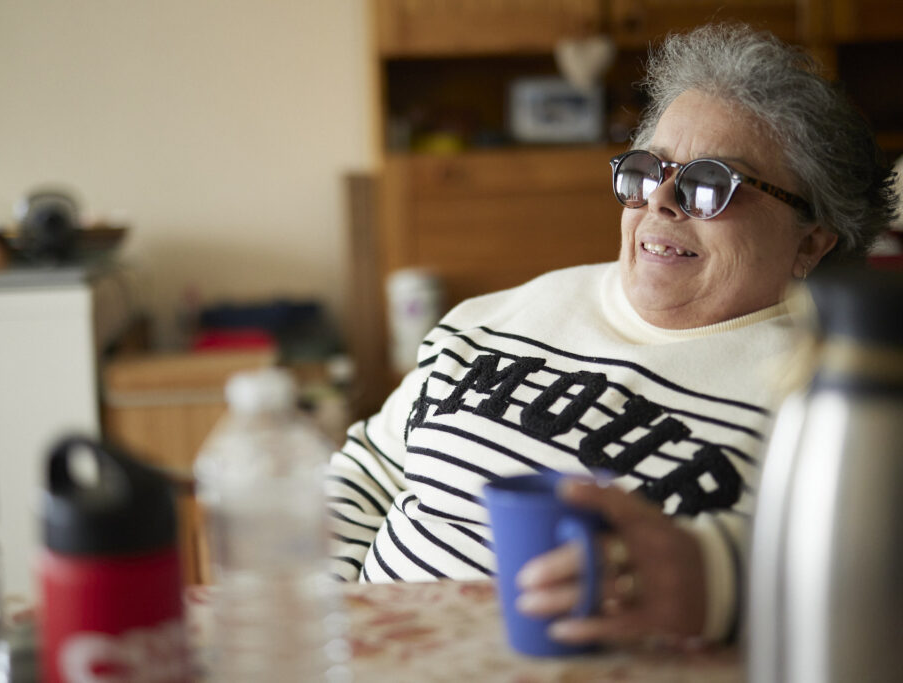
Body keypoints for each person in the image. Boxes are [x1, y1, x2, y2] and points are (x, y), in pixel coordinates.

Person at [325, 22, 897, 648]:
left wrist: (715, 579)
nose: (660, 201)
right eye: (648, 170)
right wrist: (319, 615)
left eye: (711, 184)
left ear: (811, 242)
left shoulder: (846, 391)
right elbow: (367, 473)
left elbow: (868, 575)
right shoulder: (496, 315)